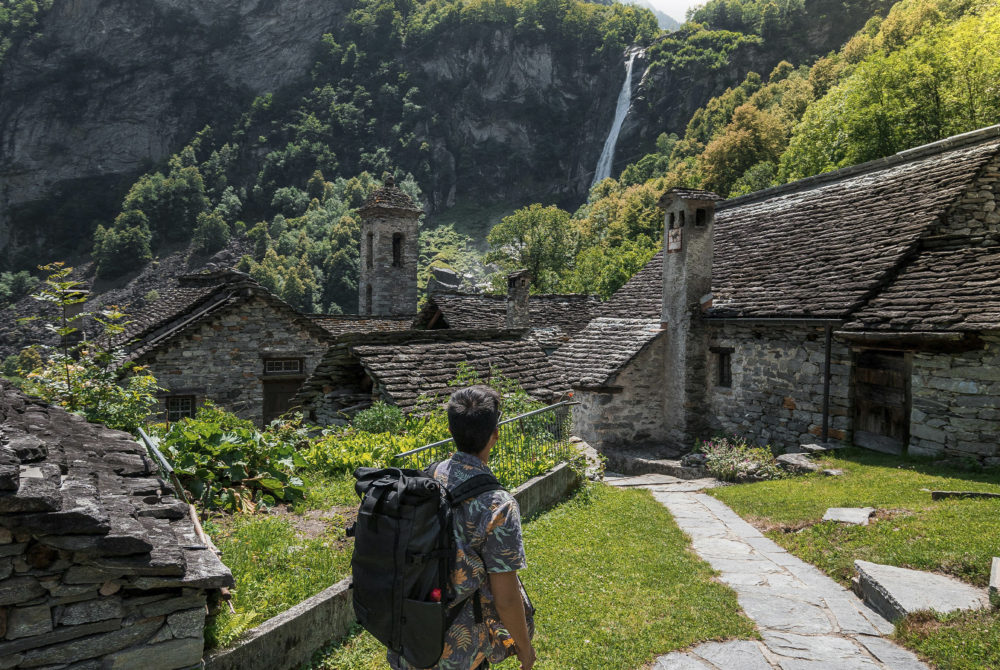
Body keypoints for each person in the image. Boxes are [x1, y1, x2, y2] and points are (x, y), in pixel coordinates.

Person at [388, 385, 536, 670]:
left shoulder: (430, 476)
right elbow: (505, 598)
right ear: (495, 433)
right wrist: (525, 650)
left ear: (451, 429)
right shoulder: (498, 505)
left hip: (412, 632)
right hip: (459, 649)